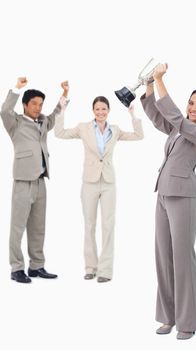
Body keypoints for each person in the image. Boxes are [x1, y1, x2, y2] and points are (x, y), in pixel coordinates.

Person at [140, 63, 196, 339]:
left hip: (183, 198)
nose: (193, 107)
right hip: (163, 195)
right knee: (163, 258)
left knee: (182, 260)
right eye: (191, 102)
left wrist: (161, 80)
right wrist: (149, 85)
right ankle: (167, 317)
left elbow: (175, 116)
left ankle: (188, 322)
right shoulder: (179, 129)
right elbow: (157, 117)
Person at [54, 81, 144, 283]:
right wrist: (62, 106)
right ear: (93, 110)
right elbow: (59, 133)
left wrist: (132, 114)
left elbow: (139, 136)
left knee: (108, 226)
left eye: (104, 109)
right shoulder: (83, 128)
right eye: (97, 109)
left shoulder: (116, 130)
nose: (101, 112)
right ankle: (90, 267)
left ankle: (105, 271)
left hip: (109, 182)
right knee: (89, 225)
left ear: (109, 111)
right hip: (90, 182)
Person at [0, 77, 68, 283]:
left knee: (38, 227)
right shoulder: (15, 123)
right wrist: (16, 88)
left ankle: (36, 266)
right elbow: (4, 111)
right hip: (22, 181)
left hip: (40, 181)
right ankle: (16, 268)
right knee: (17, 227)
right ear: (25, 105)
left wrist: (64, 94)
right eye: (34, 104)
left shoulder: (43, 122)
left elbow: (55, 115)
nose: (38, 108)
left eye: (40, 104)